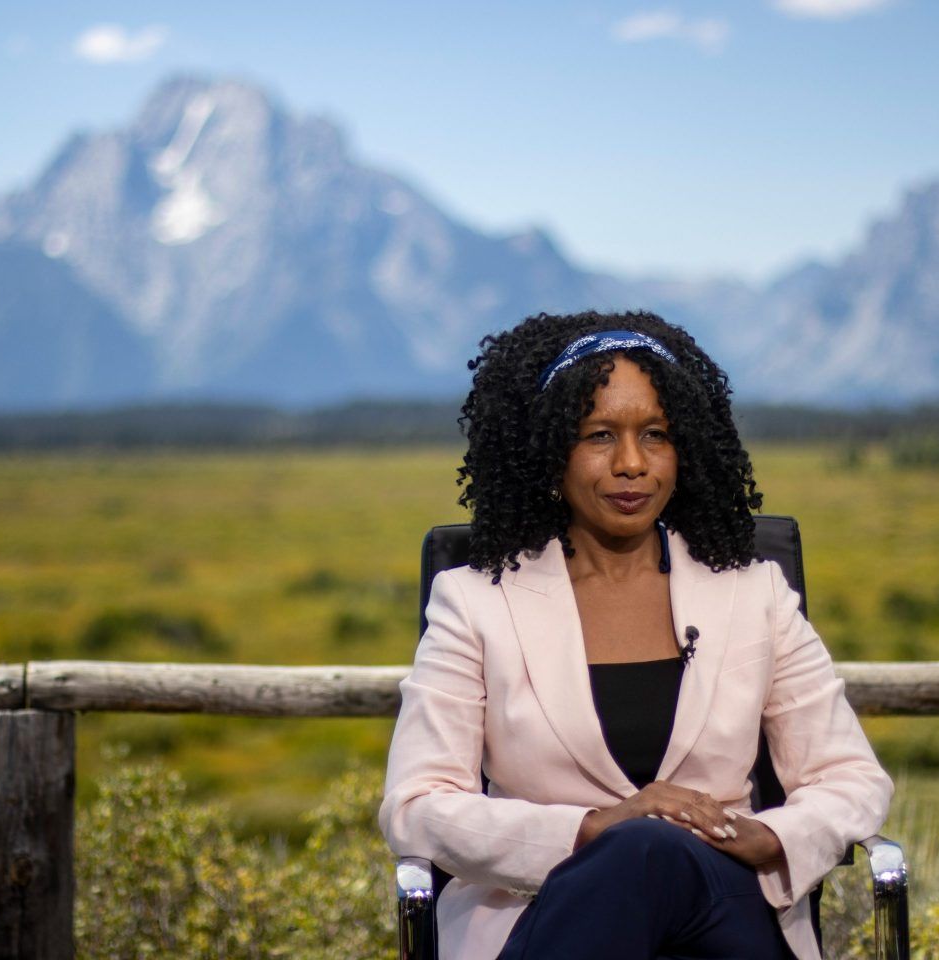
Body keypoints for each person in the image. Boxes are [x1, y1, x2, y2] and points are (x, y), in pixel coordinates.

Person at [380, 311, 892, 960]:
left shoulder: (754, 592)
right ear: (550, 452)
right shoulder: (475, 602)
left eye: (655, 435)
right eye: (599, 436)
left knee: (657, 852)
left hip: (725, 906)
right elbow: (418, 806)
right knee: (642, 849)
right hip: (541, 912)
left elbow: (851, 777)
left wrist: (767, 838)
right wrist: (596, 830)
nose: (631, 464)